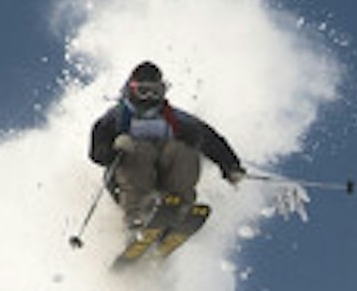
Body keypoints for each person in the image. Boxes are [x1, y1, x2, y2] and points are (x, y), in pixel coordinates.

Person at [88, 61, 246, 229]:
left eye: (155, 92)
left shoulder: (174, 118)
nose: (149, 97)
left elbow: (210, 139)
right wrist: (113, 151)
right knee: (140, 151)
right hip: (127, 184)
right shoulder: (116, 118)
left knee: (182, 151)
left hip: (164, 179)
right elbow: (96, 152)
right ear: (131, 89)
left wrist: (230, 166)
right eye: (143, 92)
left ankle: (179, 204)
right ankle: (136, 216)